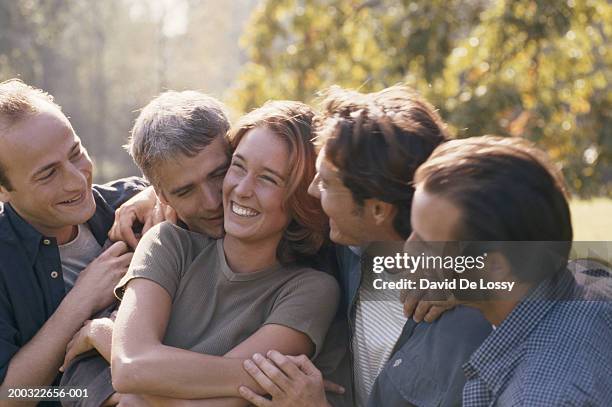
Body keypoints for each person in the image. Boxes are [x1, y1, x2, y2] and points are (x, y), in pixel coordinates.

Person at [66, 97, 341, 406]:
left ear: (302, 194)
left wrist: (120, 364)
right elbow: (130, 367)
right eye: (239, 167)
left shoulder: (313, 288)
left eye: (268, 178)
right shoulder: (166, 241)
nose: (236, 191)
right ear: (162, 196)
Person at [238, 86, 492, 407]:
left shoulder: (471, 323)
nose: (313, 191)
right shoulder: (345, 252)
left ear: (377, 210)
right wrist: (155, 197)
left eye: (327, 183)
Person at [408, 136, 612, 405]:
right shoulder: (589, 287)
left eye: (426, 243)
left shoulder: (539, 397)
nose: (409, 250)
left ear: (496, 266)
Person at [0, 79, 147, 406]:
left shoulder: (131, 204)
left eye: (75, 153)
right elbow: (9, 396)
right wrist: (80, 301)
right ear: (3, 190)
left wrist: (158, 195)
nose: (77, 180)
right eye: (48, 173)